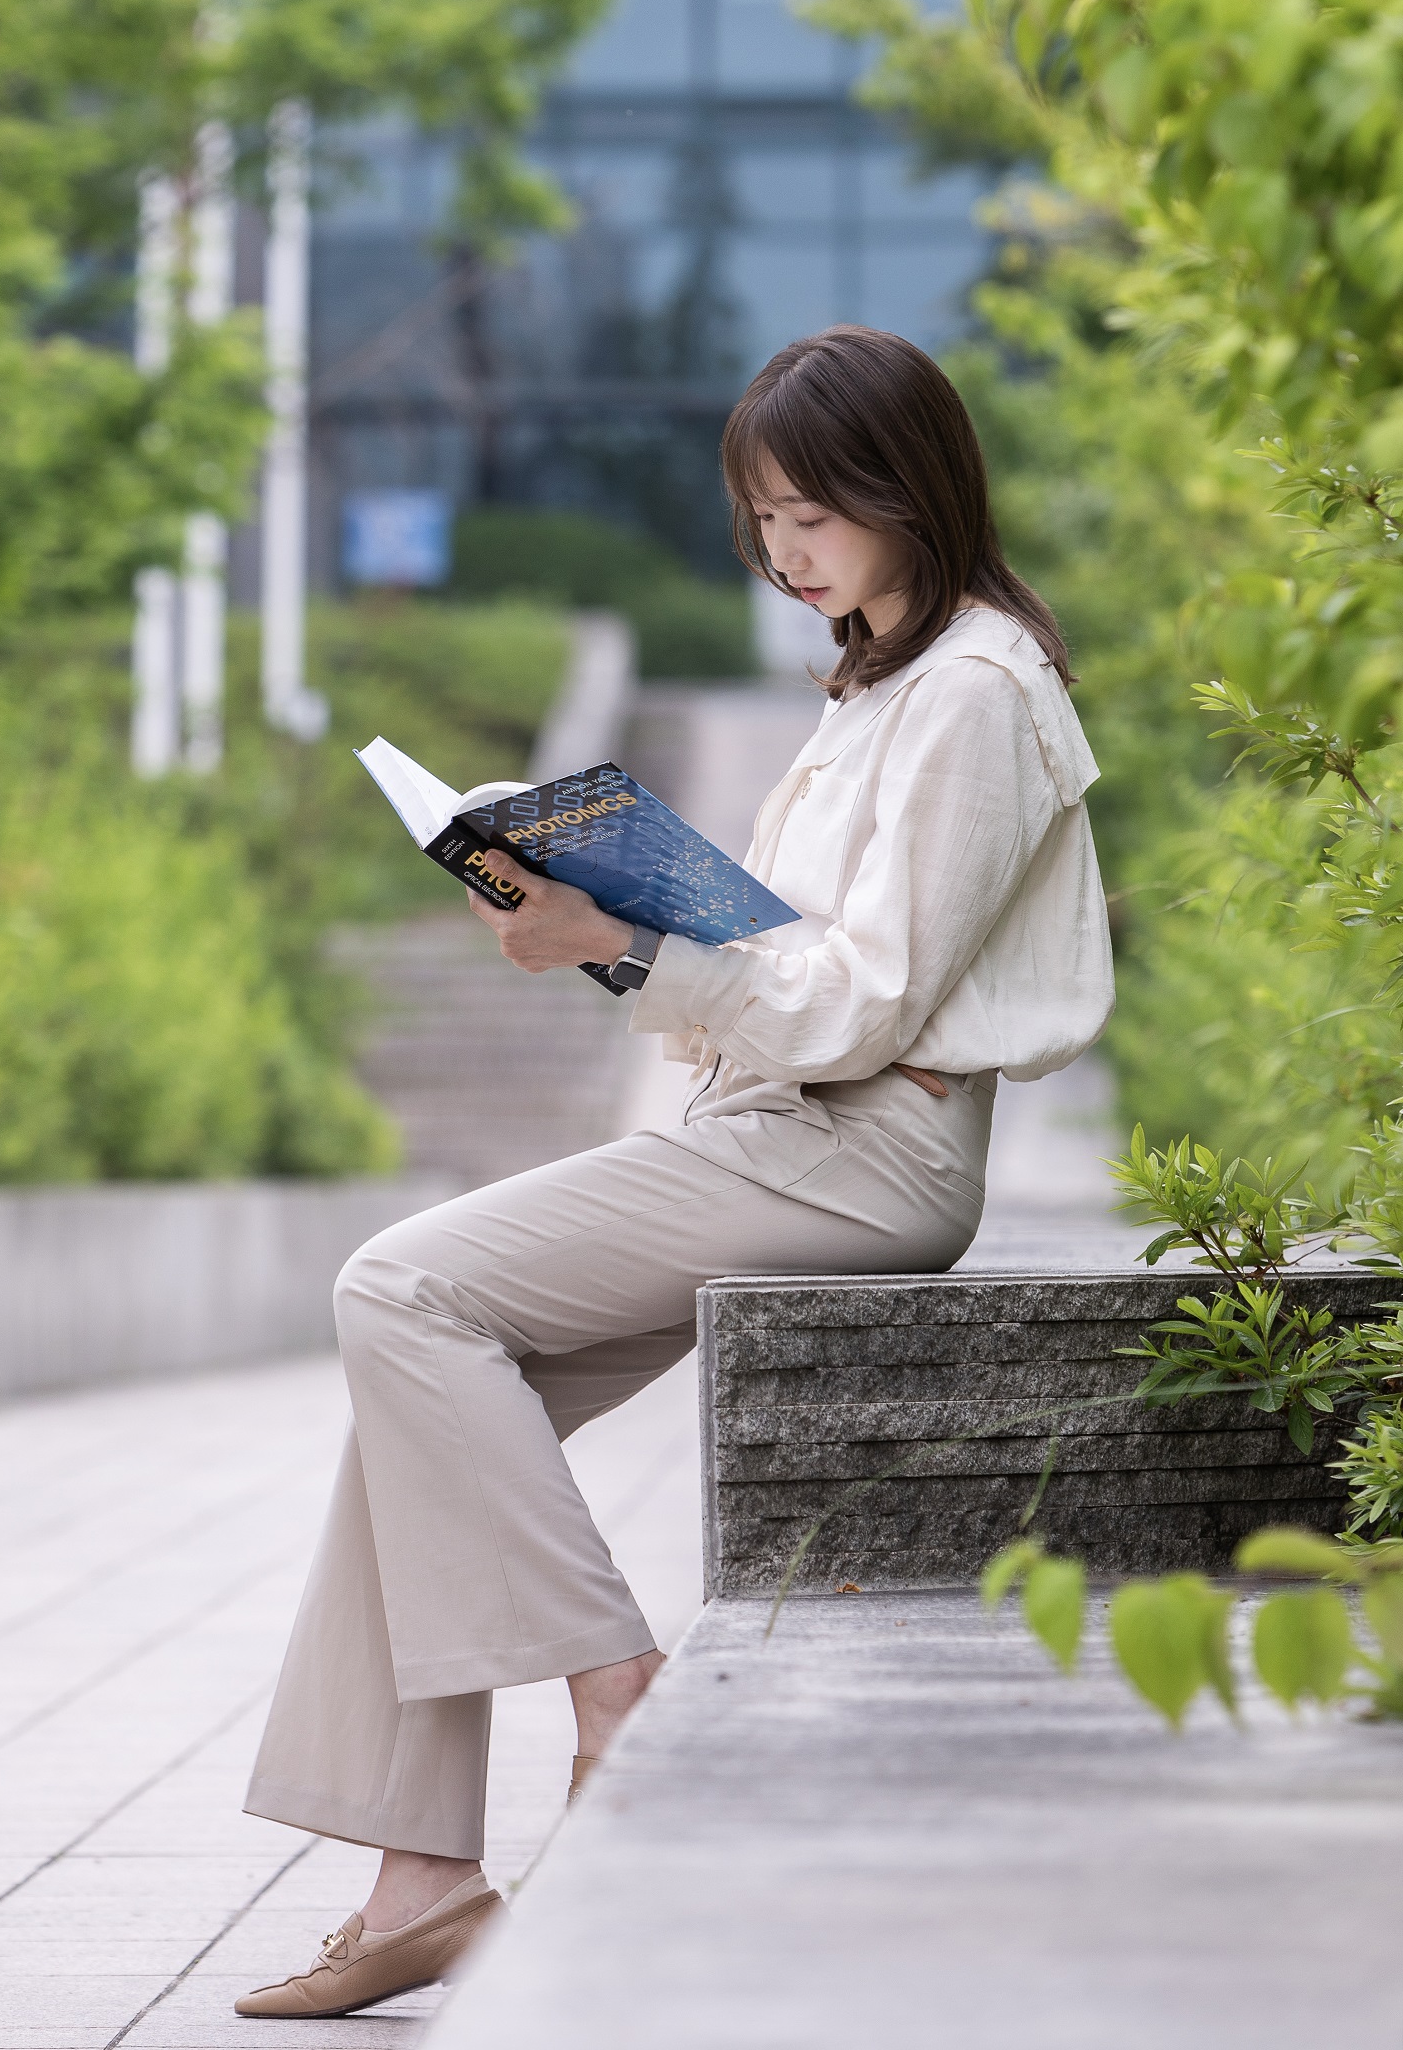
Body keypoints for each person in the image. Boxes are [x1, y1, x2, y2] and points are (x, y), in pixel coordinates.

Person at [232, 325, 1114, 2021]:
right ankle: (421, 1879)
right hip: (772, 1132)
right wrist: (589, 920)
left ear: (907, 490)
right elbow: (778, 957)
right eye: (762, 521)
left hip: (866, 1154)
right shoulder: (876, 690)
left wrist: (620, 950)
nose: (785, 553)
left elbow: (863, 996)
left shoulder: (982, 694)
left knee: (397, 1285)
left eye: (812, 515)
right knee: (417, 1403)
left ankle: (618, 1690)